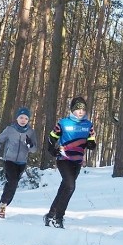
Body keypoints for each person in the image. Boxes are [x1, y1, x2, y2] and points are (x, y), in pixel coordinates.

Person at [43, 96, 96, 229]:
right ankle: (58, 218)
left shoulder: (88, 125)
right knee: (70, 186)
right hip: (63, 159)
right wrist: (52, 150)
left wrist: (91, 144)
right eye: (78, 109)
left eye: (83, 110)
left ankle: (50, 215)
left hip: (77, 161)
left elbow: (92, 141)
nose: (80, 112)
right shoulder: (63, 123)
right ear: (72, 110)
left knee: (65, 188)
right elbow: (51, 138)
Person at [0, 107, 38, 218]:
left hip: (22, 162)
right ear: (17, 118)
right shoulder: (10, 129)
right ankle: (2, 205)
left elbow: (34, 150)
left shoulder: (31, 132)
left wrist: (30, 144)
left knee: (14, 184)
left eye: (26, 118)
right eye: (21, 117)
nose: (23, 120)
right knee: (12, 181)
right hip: (10, 160)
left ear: (28, 120)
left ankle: (3, 205)